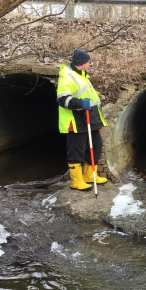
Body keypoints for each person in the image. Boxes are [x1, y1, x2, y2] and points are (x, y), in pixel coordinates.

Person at [57, 49, 109, 191]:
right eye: (88, 61)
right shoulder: (67, 77)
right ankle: (76, 181)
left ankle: (89, 176)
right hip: (76, 120)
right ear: (81, 63)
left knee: (95, 147)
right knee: (76, 151)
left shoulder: (83, 76)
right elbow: (62, 99)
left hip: (90, 119)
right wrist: (79, 103)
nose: (90, 64)